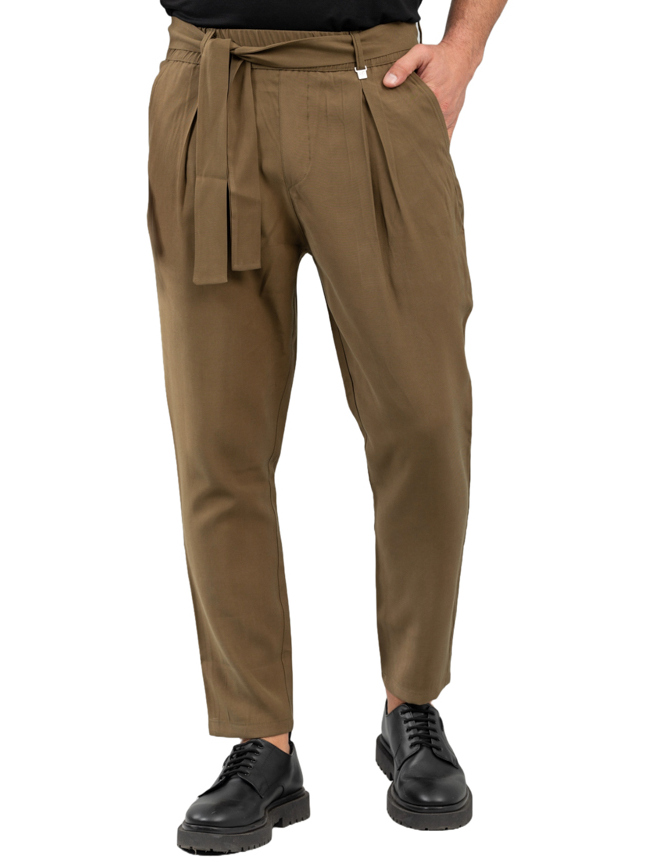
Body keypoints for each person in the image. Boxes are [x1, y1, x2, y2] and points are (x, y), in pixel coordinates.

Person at [147, 0, 507, 853]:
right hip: (212, 83)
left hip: (374, 81)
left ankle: (411, 704)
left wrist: (464, 49)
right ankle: (261, 743)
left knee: (426, 422)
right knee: (218, 442)